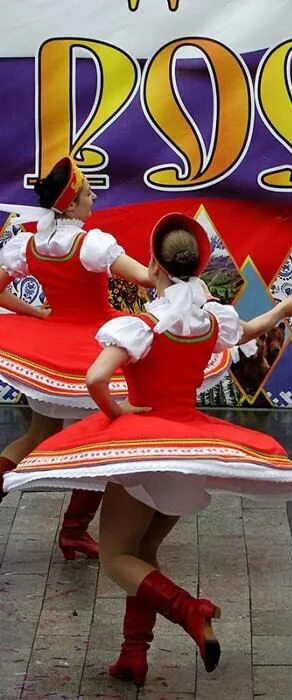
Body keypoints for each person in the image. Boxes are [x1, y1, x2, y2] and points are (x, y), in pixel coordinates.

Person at [4, 213, 292, 685]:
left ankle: (189, 609)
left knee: (116, 558)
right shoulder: (212, 318)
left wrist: (116, 413)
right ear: (198, 266)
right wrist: (282, 310)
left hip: (144, 451)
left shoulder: (142, 325)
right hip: (188, 453)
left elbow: (95, 378)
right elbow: (250, 329)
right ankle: (134, 654)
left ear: (153, 265)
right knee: (144, 551)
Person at [0, 156, 155, 559]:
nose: (94, 197)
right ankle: (74, 530)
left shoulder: (30, 244)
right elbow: (143, 277)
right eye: (88, 193)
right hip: (93, 349)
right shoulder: (92, 244)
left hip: (46, 351)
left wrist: (37, 314)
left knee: (37, 435)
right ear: (70, 205)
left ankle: (72, 530)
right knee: (100, 439)